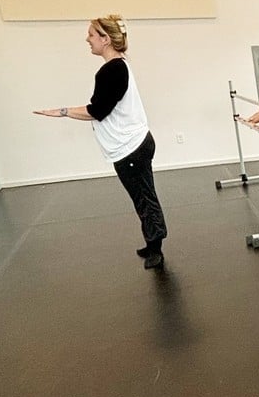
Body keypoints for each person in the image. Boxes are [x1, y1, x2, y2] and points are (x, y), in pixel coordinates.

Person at [34, 14, 167, 269]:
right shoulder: (119, 66)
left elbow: (97, 110)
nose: (88, 39)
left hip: (132, 149)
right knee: (142, 198)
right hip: (133, 145)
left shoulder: (112, 70)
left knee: (144, 198)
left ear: (106, 39)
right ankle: (152, 243)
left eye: (92, 35)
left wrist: (61, 111)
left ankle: (156, 248)